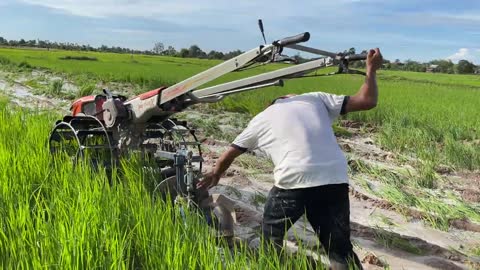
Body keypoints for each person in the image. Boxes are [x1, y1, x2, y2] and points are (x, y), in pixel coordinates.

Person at [198, 48, 383, 269]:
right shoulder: (315, 99)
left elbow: (231, 152)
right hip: (334, 177)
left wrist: (216, 173)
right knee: (339, 248)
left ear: (274, 102)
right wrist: (371, 70)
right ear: (287, 98)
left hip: (294, 178)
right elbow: (367, 100)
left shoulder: (261, 118)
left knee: (271, 241)